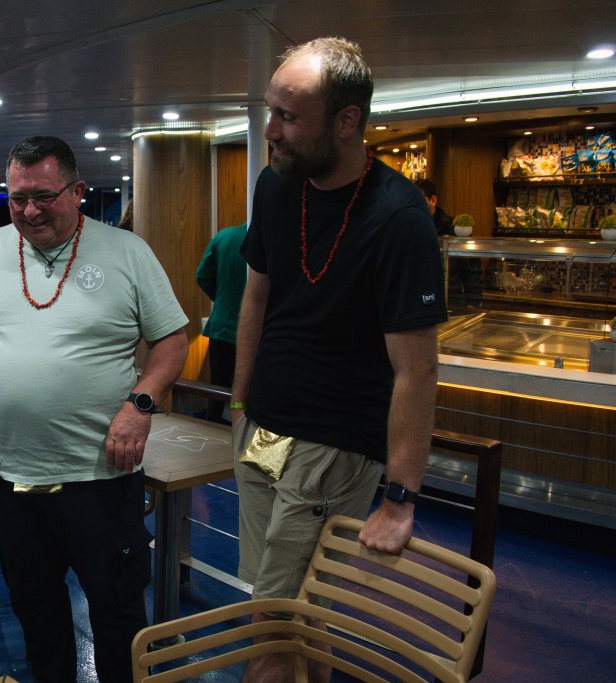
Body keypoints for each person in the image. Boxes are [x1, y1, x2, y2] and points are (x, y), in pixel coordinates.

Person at [230, 38, 447, 682]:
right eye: (270, 111)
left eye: (288, 117)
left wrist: (400, 497)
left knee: (272, 627)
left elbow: (417, 370)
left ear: (347, 121)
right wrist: (240, 404)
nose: (271, 132)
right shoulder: (276, 185)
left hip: (335, 447)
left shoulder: (398, 217)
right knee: (298, 612)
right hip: (263, 429)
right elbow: (256, 298)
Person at [0, 135, 188, 682]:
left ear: (77, 191)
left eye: (44, 197)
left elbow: (171, 340)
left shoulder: (127, 252)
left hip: (100, 477)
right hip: (11, 476)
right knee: (36, 610)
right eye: (17, 198)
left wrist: (140, 404)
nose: (29, 211)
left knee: (117, 612)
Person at [195, 221, 248, 422]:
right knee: (250, 391)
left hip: (221, 325)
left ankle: (212, 430)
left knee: (218, 389)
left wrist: (222, 299)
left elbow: (202, 275)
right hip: (256, 333)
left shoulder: (224, 236)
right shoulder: (270, 236)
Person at [415, 178, 483, 309]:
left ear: (433, 200)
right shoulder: (408, 228)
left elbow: (472, 270)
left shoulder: (454, 228)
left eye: (419, 201)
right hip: (418, 302)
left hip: (451, 300)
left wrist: (473, 302)